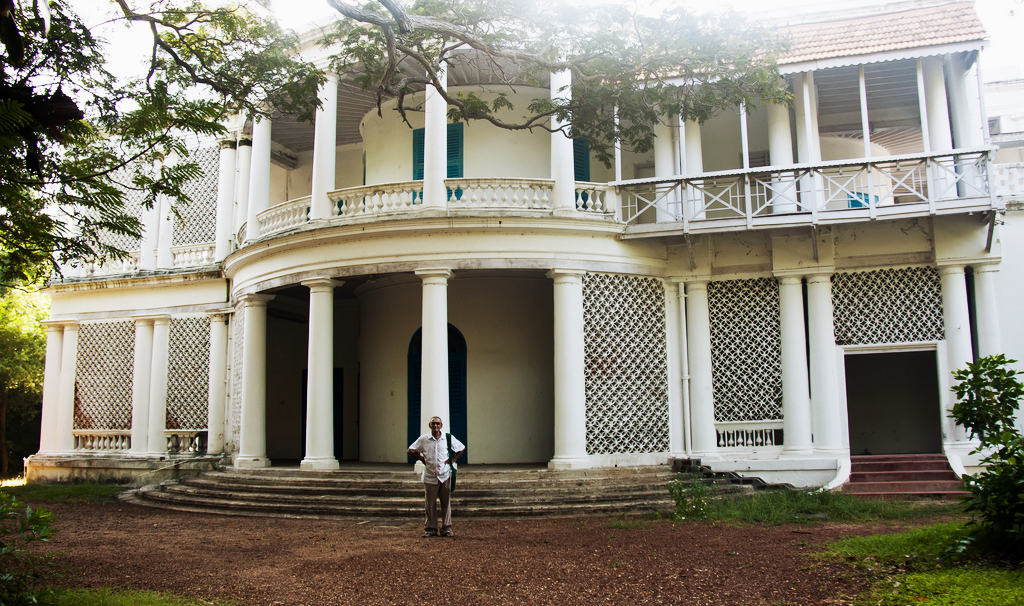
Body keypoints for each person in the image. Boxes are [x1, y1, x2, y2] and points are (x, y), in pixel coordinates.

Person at [407, 416, 465, 537]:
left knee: (446, 503)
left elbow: (461, 448)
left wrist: (452, 460)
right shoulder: (424, 439)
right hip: (430, 475)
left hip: (445, 474)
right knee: (430, 504)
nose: (435, 426)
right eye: (433, 424)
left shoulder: (447, 438)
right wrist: (421, 458)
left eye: (437, 424)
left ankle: (446, 528)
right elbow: (410, 450)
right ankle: (430, 528)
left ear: (441, 425)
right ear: (430, 425)